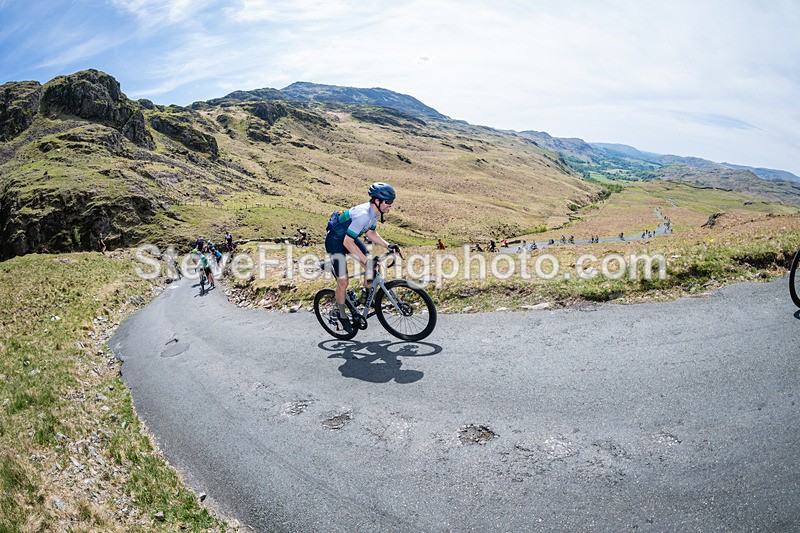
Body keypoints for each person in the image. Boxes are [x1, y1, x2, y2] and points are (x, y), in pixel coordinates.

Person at [325, 182, 400, 333]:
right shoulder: (363, 215)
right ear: (377, 201)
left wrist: (388, 246)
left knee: (372, 268)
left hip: (348, 239)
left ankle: (365, 297)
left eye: (392, 201)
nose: (390, 205)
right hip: (335, 242)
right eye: (388, 202)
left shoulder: (374, 213)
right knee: (343, 281)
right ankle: (341, 315)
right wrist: (366, 261)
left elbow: (371, 233)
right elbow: (347, 242)